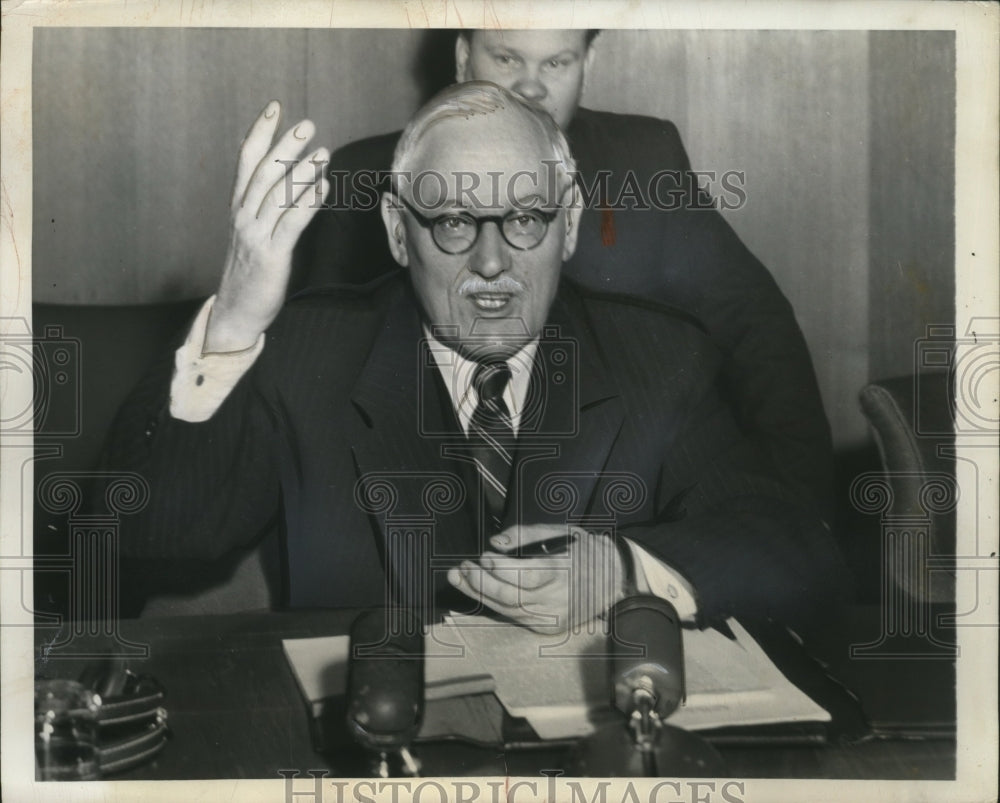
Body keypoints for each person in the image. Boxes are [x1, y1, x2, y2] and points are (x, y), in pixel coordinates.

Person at [103, 83, 845, 633]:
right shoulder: (307, 354)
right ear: (398, 232)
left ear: (570, 224)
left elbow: (798, 552)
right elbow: (138, 537)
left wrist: (621, 573)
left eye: (524, 217)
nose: (493, 261)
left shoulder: (661, 358)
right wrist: (233, 324)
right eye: (454, 219)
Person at [294, 29, 835, 524]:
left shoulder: (645, 162)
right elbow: (313, 376)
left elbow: (756, 327)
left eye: (556, 62)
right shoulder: (366, 174)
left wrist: (801, 506)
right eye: (506, 58)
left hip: (610, 510)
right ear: (462, 57)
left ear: (587, 62)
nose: (530, 86)